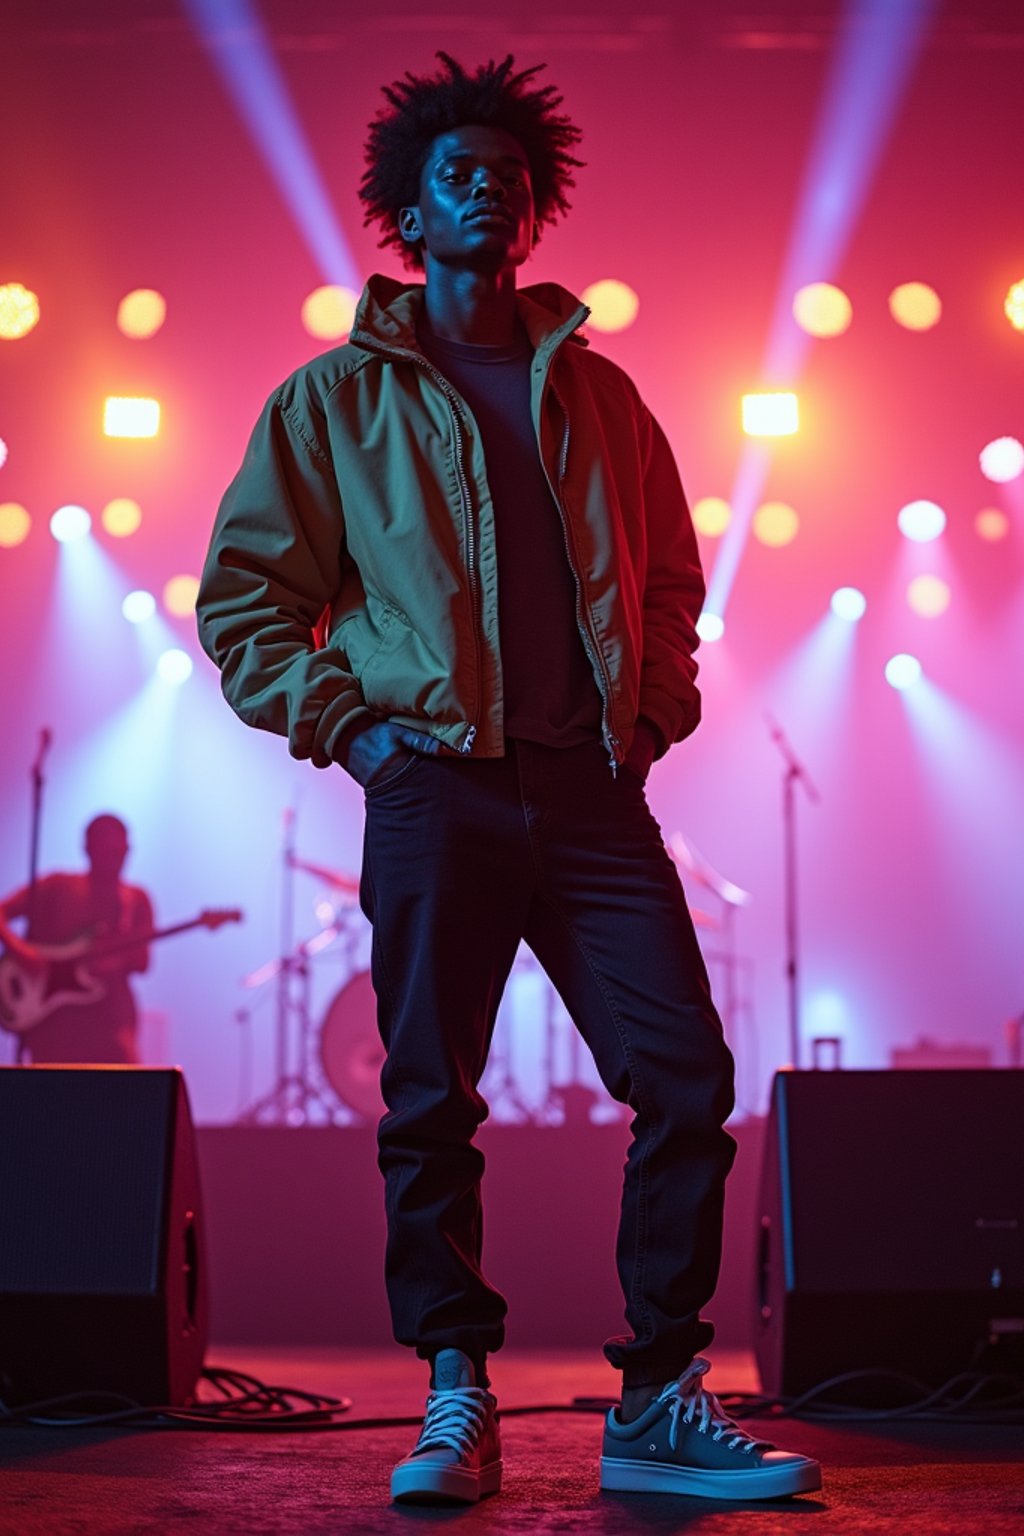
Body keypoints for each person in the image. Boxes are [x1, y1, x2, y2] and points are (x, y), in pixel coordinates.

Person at [197, 53, 820, 1505]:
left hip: (592, 797)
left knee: (685, 1081)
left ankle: (659, 1399)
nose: (488, 186)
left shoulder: (605, 400)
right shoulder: (333, 403)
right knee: (430, 1100)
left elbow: (672, 580)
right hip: (436, 791)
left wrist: (653, 710)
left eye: (509, 173)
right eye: (456, 171)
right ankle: (456, 1392)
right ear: (409, 211)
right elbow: (244, 603)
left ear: (538, 212)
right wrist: (355, 734)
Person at [0, 814, 153, 1064]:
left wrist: (113, 960)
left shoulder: (135, 900)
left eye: (120, 851)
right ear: (88, 849)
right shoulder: (56, 887)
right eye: (108, 851)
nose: (116, 858)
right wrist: (23, 953)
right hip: (54, 1028)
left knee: (124, 1096)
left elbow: (142, 963)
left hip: (112, 1025)